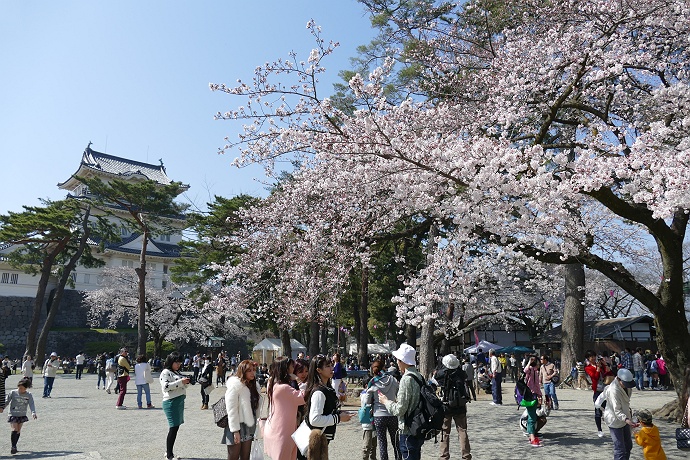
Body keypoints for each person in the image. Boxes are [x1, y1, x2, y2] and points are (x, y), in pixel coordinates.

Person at [378, 343, 424, 460]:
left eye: (398, 360)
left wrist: (386, 401)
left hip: (408, 429)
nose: (397, 363)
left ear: (403, 361)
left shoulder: (406, 379)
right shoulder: (419, 376)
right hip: (419, 426)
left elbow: (400, 409)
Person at [304, 354, 353, 459]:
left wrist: (340, 414)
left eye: (331, 365)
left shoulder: (327, 389)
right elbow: (314, 419)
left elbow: (327, 410)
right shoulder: (319, 392)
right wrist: (338, 418)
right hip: (316, 440)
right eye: (327, 366)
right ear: (319, 370)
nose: (332, 368)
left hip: (322, 440)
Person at [263, 357, 305, 460]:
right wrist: (299, 380)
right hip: (283, 430)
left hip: (275, 428)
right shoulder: (284, 388)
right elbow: (303, 397)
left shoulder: (272, 383)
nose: (293, 368)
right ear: (286, 368)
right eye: (291, 366)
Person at [596, 368, 638, 460]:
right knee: (620, 449)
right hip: (614, 419)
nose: (627, 386)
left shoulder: (626, 387)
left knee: (628, 445)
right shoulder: (613, 390)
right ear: (618, 379)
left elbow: (625, 403)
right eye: (625, 383)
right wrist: (627, 420)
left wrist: (629, 418)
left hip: (625, 418)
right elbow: (617, 410)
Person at [435, 354, 471, 460]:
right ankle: (466, 455)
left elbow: (434, 384)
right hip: (460, 405)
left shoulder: (441, 374)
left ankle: (443, 455)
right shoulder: (461, 373)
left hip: (446, 406)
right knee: (462, 430)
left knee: (445, 432)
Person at [223, 360, 260, 460]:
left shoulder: (255, 386)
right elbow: (231, 410)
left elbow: (256, 408)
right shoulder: (235, 386)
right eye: (249, 371)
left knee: (245, 456)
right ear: (243, 372)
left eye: (254, 370)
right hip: (236, 425)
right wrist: (235, 431)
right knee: (233, 456)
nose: (253, 373)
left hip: (249, 425)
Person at [366, 360, 400, 460]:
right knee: (396, 441)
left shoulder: (373, 383)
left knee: (382, 443)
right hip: (392, 413)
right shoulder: (393, 380)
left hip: (378, 416)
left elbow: (367, 401)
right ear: (384, 368)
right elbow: (398, 393)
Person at [160, 352, 191, 460]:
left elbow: (181, 386)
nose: (179, 364)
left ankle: (168, 451)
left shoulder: (175, 372)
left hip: (178, 401)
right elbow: (166, 387)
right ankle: (169, 455)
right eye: (176, 362)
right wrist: (180, 382)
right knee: (173, 428)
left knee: (175, 428)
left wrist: (185, 382)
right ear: (171, 362)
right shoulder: (165, 372)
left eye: (180, 362)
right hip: (171, 402)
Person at [4, 377, 37, 454]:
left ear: (26, 388)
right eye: (19, 387)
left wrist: (33, 412)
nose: (20, 389)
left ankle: (15, 445)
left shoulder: (28, 395)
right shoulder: (13, 392)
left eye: (22, 388)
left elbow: (31, 404)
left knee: (18, 431)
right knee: (14, 429)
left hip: (22, 414)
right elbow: (6, 401)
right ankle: (13, 446)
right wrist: (2, 407)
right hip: (13, 414)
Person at [584, 350, 606, 437]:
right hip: (597, 390)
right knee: (597, 410)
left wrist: (604, 364)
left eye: (594, 356)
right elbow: (595, 377)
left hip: (606, 389)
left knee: (609, 408)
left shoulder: (601, 364)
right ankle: (599, 430)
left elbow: (609, 373)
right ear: (588, 359)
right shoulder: (588, 368)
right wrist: (598, 368)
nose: (593, 358)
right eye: (591, 357)